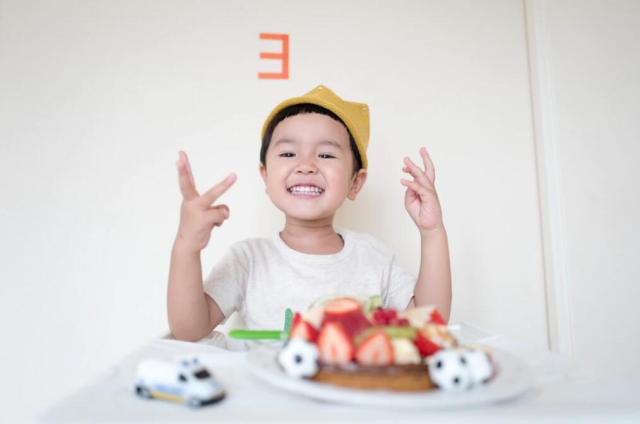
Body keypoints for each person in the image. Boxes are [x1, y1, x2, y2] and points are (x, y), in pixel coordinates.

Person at [167, 85, 451, 342]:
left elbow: (428, 325)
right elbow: (188, 330)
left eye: (326, 155)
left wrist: (432, 232)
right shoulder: (248, 260)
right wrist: (187, 246)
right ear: (265, 177)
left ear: (355, 182)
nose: (306, 165)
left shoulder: (374, 259)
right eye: (288, 154)